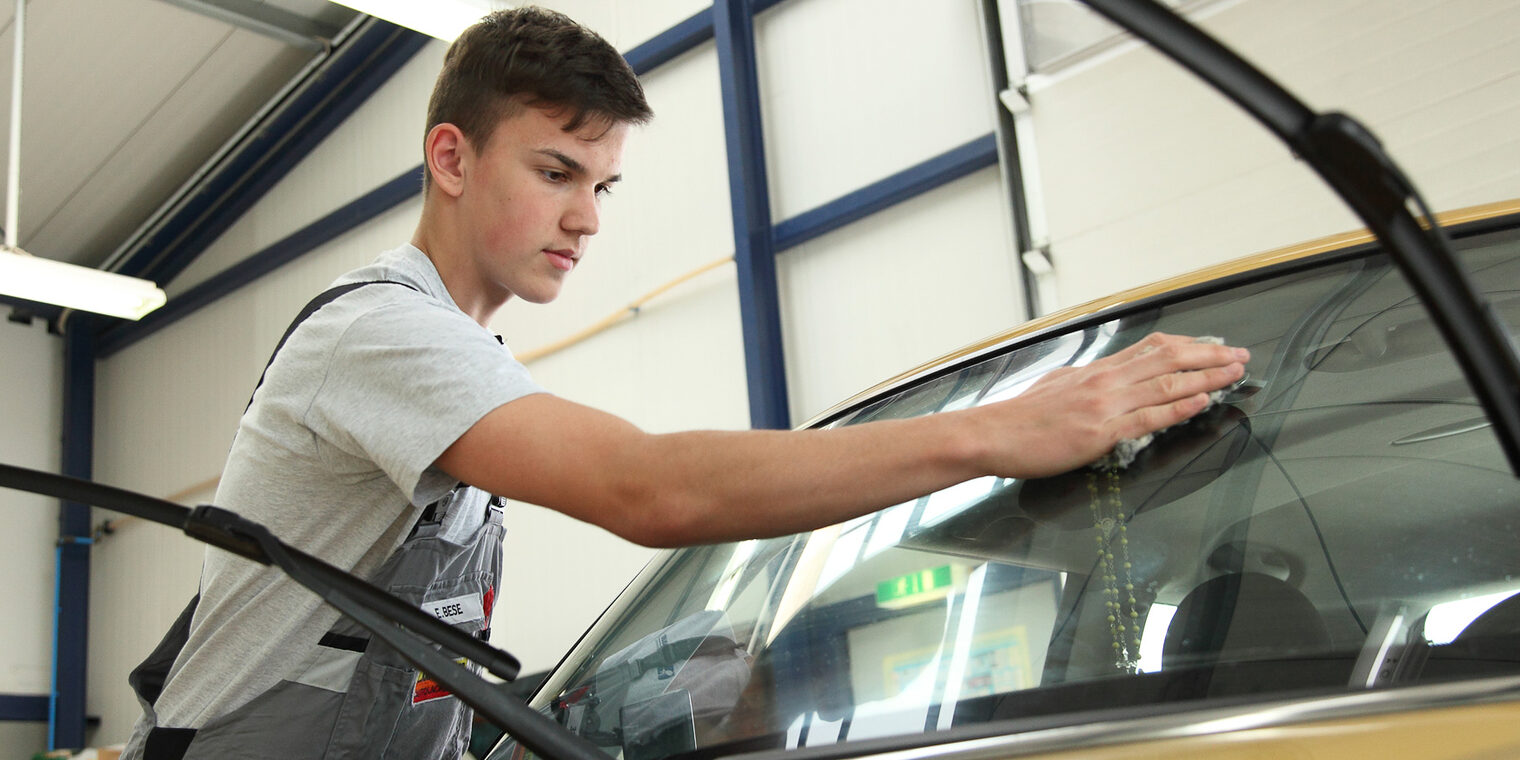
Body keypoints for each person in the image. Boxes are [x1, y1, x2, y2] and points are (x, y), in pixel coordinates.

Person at [120, 7, 1248, 760]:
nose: (584, 218)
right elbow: (647, 488)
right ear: (452, 158)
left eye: (603, 186)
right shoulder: (378, 333)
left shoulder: (464, 361)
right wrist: (1000, 431)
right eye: (555, 172)